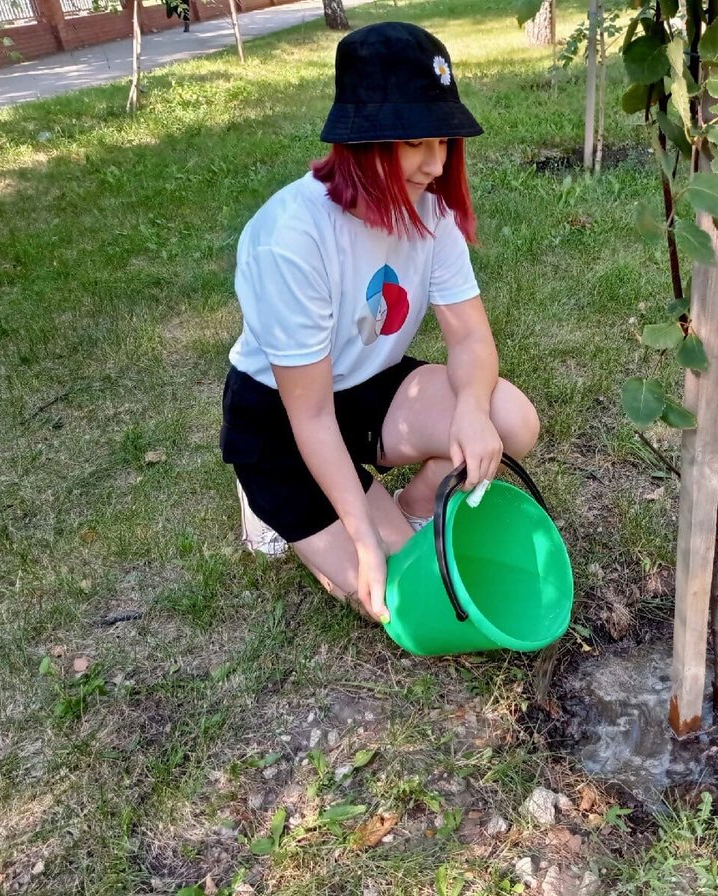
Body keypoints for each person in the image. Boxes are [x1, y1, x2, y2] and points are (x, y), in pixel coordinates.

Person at [220, 21, 540, 623]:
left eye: (443, 140)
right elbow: (311, 416)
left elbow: (471, 336)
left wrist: (472, 411)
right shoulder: (290, 239)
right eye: (416, 142)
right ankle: (266, 498)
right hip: (283, 419)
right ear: (362, 141)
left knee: (510, 420)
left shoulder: (432, 215)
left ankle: (412, 506)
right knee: (393, 589)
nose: (435, 163)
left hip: (368, 388)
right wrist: (363, 539)